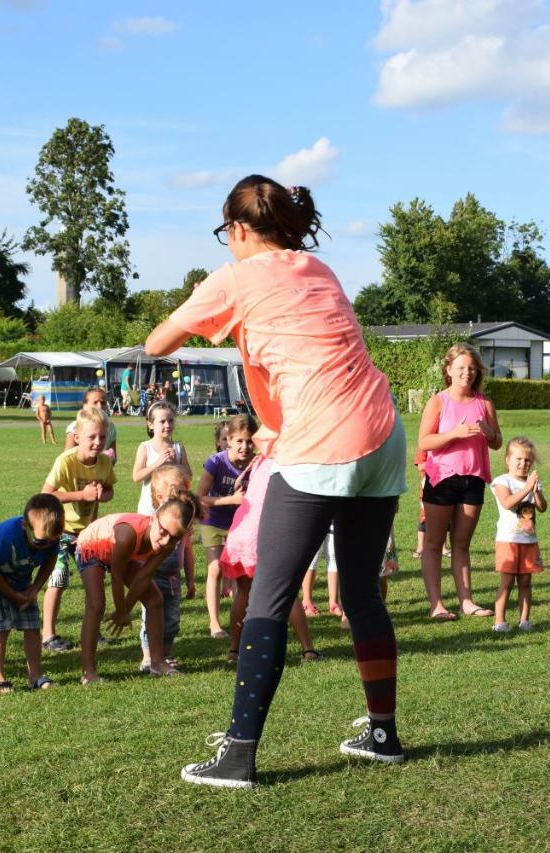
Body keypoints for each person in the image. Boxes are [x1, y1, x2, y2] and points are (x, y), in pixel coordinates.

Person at [147, 174, 407, 788]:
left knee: (269, 597)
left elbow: (158, 343)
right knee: (363, 591)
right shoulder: (320, 270)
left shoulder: (232, 277)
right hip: (382, 432)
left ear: (236, 229)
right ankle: (383, 734)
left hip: (323, 443)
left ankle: (238, 754)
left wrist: (199, 300)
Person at [418, 343, 502, 620]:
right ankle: (437, 604)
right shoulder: (438, 401)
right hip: (441, 479)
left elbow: (497, 443)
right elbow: (424, 442)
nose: (467, 373)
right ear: (449, 370)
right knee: (433, 542)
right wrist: (455, 434)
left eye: (472, 368)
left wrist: (489, 433)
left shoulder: (485, 402)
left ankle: (467, 601)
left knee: (462, 543)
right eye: (461, 368)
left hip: (473, 480)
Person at [74, 496, 197, 683]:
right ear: (154, 518)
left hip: (124, 555)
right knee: (96, 604)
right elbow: (116, 577)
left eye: (174, 538)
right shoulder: (128, 534)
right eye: (163, 532)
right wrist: (121, 610)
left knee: (155, 598)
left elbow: (143, 577)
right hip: (92, 547)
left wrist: (125, 611)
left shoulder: (167, 543)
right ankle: (88, 671)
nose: (165, 541)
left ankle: (156, 662)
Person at [220, 454, 324, 664]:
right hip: (266, 533)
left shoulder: (259, 460)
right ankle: (308, 649)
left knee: (244, 593)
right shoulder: (284, 461)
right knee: (288, 592)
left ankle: (234, 650)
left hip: (242, 534)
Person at [41, 406, 116, 652]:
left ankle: (92, 630)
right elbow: (45, 495)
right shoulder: (66, 460)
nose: (97, 442)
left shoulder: (104, 462)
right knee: (58, 579)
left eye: (102, 437)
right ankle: (48, 634)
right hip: (60, 531)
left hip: (88, 532)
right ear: (77, 437)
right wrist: (81, 494)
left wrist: (102, 495)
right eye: (91, 437)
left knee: (92, 581)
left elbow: (109, 490)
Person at [0, 494, 65, 693]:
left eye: (54, 540)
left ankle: (35, 676)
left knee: (32, 627)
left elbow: (50, 562)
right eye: (41, 542)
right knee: (1, 628)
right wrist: (12, 595)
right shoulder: (6, 537)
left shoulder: (50, 537)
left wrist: (33, 590)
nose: (48, 545)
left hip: (22, 583)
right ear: (25, 525)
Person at [197, 414, 255, 640]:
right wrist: (230, 500)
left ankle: (242, 619)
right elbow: (200, 497)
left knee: (242, 573)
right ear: (228, 440)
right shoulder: (216, 462)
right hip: (213, 520)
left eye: (249, 441)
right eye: (239, 441)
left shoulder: (255, 463)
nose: (244, 446)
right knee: (215, 569)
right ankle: (214, 623)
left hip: (240, 524)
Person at [139, 464, 198, 675]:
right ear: (159, 497)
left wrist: (190, 580)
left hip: (174, 580)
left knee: (172, 621)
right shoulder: (155, 521)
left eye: (180, 494)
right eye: (171, 496)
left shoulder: (184, 523)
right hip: (154, 578)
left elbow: (188, 552)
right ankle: (148, 656)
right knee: (151, 618)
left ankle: (164, 654)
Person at [490, 437, 547, 633]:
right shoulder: (501, 481)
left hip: (529, 541)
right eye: (519, 459)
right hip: (508, 540)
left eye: (528, 461)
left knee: (525, 582)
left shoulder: (532, 483)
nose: (523, 464)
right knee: (507, 582)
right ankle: (499, 622)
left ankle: (524, 620)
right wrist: (526, 488)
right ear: (508, 459)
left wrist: (536, 490)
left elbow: (542, 507)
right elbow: (508, 503)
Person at [133, 401, 191, 517]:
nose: (167, 425)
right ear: (150, 424)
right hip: (149, 509)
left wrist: (174, 464)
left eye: (170, 420)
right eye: (162, 422)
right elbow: (136, 477)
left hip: (175, 508)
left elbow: (188, 477)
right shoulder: (145, 447)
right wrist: (158, 462)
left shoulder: (178, 448)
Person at [64, 387, 119, 464]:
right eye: (95, 402)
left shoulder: (111, 427)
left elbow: (113, 457)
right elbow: (67, 457)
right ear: (85, 404)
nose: (99, 406)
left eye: (103, 403)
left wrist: (109, 458)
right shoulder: (75, 427)